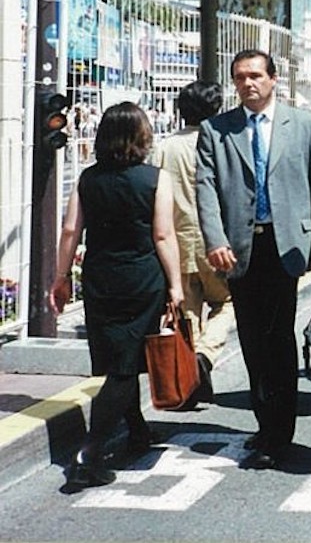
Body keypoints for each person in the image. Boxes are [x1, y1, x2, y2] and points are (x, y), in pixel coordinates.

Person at [195, 49, 311, 470]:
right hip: (239, 247)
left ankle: (280, 431)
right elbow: (205, 189)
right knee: (253, 340)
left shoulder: (304, 125)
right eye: (240, 77)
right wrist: (215, 240)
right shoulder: (216, 130)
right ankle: (265, 422)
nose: (248, 84)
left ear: (274, 79)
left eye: (255, 75)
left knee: (279, 338)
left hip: (286, 244)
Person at [50, 102, 184, 490]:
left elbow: (70, 231)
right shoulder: (156, 179)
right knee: (125, 367)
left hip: (100, 279)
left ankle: (137, 431)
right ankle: (89, 454)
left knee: (118, 357)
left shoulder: (88, 179)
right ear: (142, 137)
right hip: (142, 279)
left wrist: (61, 278)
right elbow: (163, 235)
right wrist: (176, 285)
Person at [151, 80, 232, 406]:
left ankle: (190, 379)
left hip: (177, 241)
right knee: (228, 303)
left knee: (186, 312)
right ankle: (205, 355)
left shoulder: (165, 147)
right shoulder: (221, 142)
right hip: (217, 242)